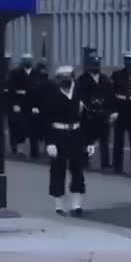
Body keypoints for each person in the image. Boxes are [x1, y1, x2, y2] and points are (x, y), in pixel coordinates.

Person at [44, 65, 90, 217]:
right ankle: (59, 205)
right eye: (63, 79)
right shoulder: (52, 95)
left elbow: (85, 118)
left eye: (68, 78)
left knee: (77, 170)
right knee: (58, 170)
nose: (66, 81)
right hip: (58, 134)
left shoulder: (78, 93)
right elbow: (46, 119)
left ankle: (76, 205)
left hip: (75, 134)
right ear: (58, 80)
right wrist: (50, 142)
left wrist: (88, 141)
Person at [110, 51, 131, 175]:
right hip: (121, 109)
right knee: (118, 141)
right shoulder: (117, 75)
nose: (130, 63)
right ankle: (117, 167)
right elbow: (112, 95)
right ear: (124, 62)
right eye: (127, 61)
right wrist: (113, 111)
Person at [78, 55, 113, 169]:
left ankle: (105, 164)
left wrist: (107, 110)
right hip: (89, 115)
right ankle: (84, 161)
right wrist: (89, 106)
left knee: (104, 142)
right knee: (87, 140)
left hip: (102, 115)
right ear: (88, 66)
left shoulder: (105, 79)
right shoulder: (82, 79)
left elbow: (109, 96)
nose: (96, 67)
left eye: (97, 65)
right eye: (93, 65)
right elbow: (81, 95)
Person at [7, 54, 32, 155]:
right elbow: (11, 89)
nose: (28, 62)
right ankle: (15, 146)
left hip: (28, 103)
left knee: (25, 127)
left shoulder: (34, 73)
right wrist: (14, 104)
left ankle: (22, 147)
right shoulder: (15, 72)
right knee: (15, 126)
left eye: (29, 60)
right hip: (18, 102)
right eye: (26, 60)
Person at [26, 58, 50, 159]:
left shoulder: (34, 83)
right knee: (36, 134)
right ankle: (35, 152)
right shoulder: (33, 84)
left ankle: (39, 152)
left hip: (43, 111)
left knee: (42, 133)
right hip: (37, 111)